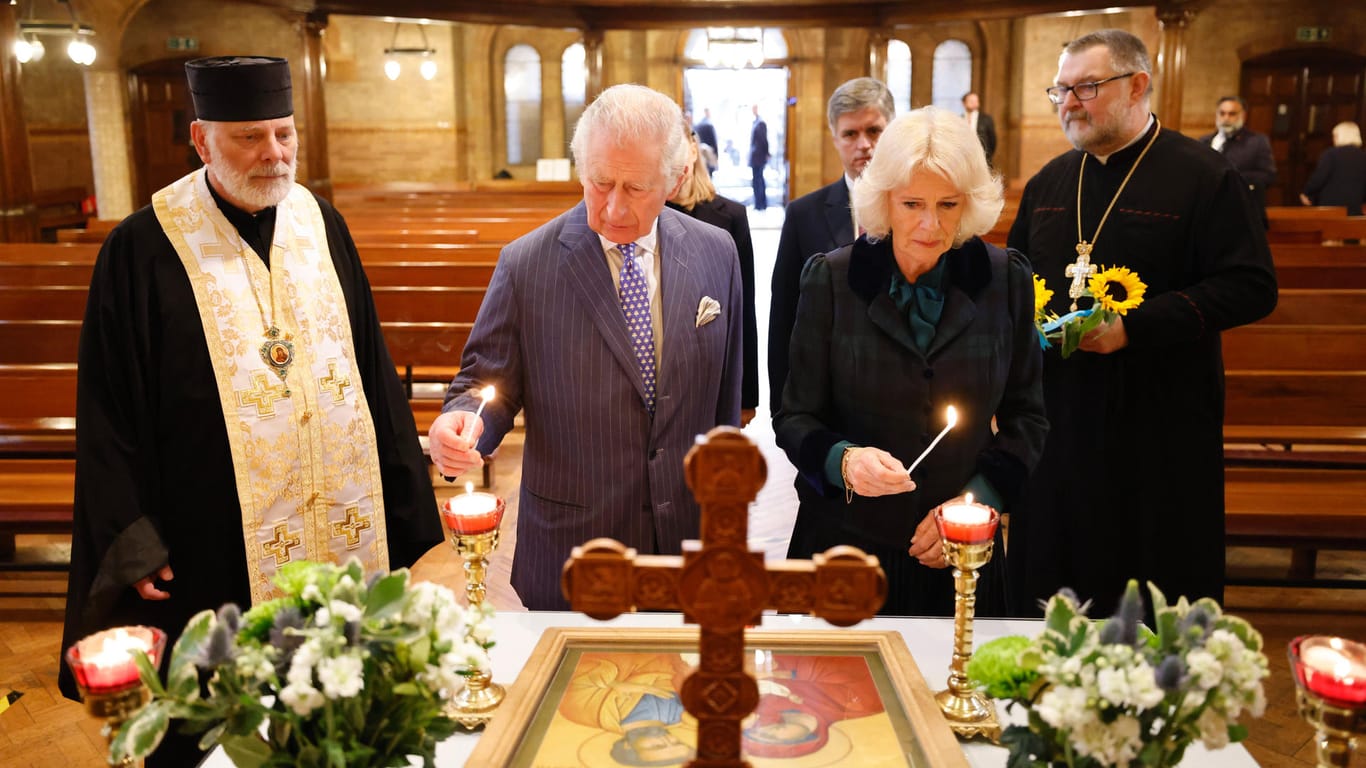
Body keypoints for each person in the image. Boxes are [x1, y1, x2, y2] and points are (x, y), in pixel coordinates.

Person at [58, 56, 441, 766]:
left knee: (340, 710)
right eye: (250, 138)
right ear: (202, 141)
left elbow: (370, 367)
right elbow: (107, 407)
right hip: (209, 539)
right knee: (213, 724)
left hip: (334, 528)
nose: (274, 153)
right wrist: (131, 536)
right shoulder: (143, 247)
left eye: (284, 134)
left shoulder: (321, 224)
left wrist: (401, 494)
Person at [427, 84, 744, 611]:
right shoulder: (527, 263)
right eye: (600, 183)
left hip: (689, 542)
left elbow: (723, 406)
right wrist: (460, 424)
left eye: (636, 188)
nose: (614, 208)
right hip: (573, 546)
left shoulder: (717, 252)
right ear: (581, 169)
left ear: (677, 177)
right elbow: (488, 386)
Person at [1007, 29, 1277, 618]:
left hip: (1160, 429)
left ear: (1137, 86)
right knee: (1052, 591)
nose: (1070, 103)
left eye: (1086, 87)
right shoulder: (1051, 182)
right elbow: (1017, 283)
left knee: (1153, 594)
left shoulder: (1204, 176)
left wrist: (1135, 326)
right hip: (1061, 426)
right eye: (1061, 90)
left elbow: (1252, 287)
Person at [774, 106, 1047, 617]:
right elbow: (794, 418)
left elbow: (1027, 417)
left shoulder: (1005, 278)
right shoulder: (832, 280)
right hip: (847, 546)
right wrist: (845, 462)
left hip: (963, 553)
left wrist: (978, 503)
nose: (930, 224)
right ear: (883, 201)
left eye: (948, 204)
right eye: (912, 203)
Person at [769, 77, 894, 414]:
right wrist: (783, 408)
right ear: (835, 138)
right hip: (828, 396)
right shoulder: (803, 214)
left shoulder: (916, 208)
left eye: (874, 131)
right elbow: (784, 313)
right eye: (850, 134)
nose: (863, 144)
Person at [668, 121, 758, 425]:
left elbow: (744, 308)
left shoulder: (730, 216)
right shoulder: (648, 215)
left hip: (713, 371)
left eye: (676, 147)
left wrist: (747, 394)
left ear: (693, 149)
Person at [1199, 96, 1277, 223]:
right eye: (1222, 113)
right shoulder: (1204, 141)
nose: (1226, 118)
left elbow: (1268, 175)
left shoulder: (1257, 141)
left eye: (1232, 114)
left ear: (1243, 116)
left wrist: (1230, 177)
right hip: (1209, 211)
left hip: (1242, 212)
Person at [1301, 121, 1366, 216]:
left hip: (1330, 208)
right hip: (1355, 208)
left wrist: (1306, 193)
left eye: (1335, 136)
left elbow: (1319, 178)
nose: (1333, 139)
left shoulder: (1331, 154)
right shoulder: (1363, 156)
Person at [962, 92, 997, 167]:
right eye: (971, 101)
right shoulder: (959, 119)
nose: (974, 103)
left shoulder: (986, 119)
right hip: (964, 157)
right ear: (964, 103)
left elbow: (992, 140)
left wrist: (988, 155)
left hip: (982, 157)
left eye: (976, 101)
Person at [748, 104, 770, 210]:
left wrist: (766, 153)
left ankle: (761, 204)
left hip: (759, 157)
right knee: (757, 180)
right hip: (756, 157)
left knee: (759, 180)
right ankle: (759, 204)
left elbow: (763, 141)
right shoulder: (756, 122)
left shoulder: (760, 123)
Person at [693, 107, 719, 175]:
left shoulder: (697, 126)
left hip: (700, 154)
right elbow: (714, 141)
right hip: (708, 153)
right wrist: (716, 155)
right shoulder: (709, 125)